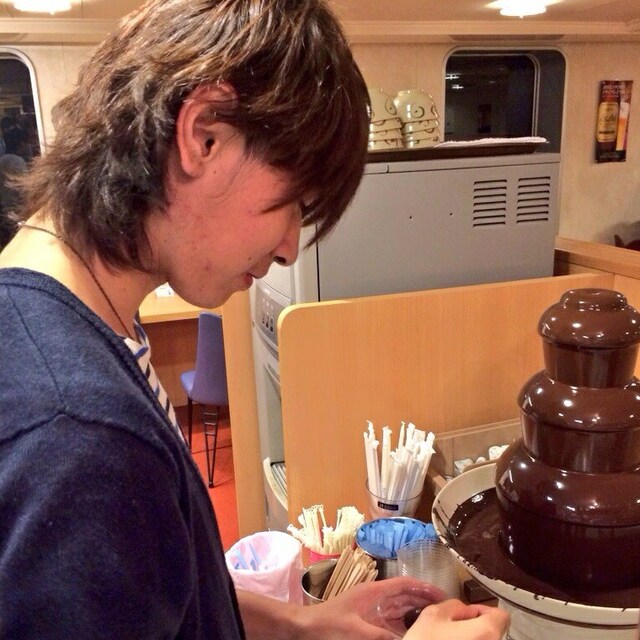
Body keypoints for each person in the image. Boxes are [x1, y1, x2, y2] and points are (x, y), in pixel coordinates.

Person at [0, 1, 509, 639]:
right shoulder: (77, 434)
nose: (291, 247)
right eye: (293, 203)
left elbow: (166, 593)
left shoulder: (76, 321)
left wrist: (299, 624)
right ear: (204, 135)